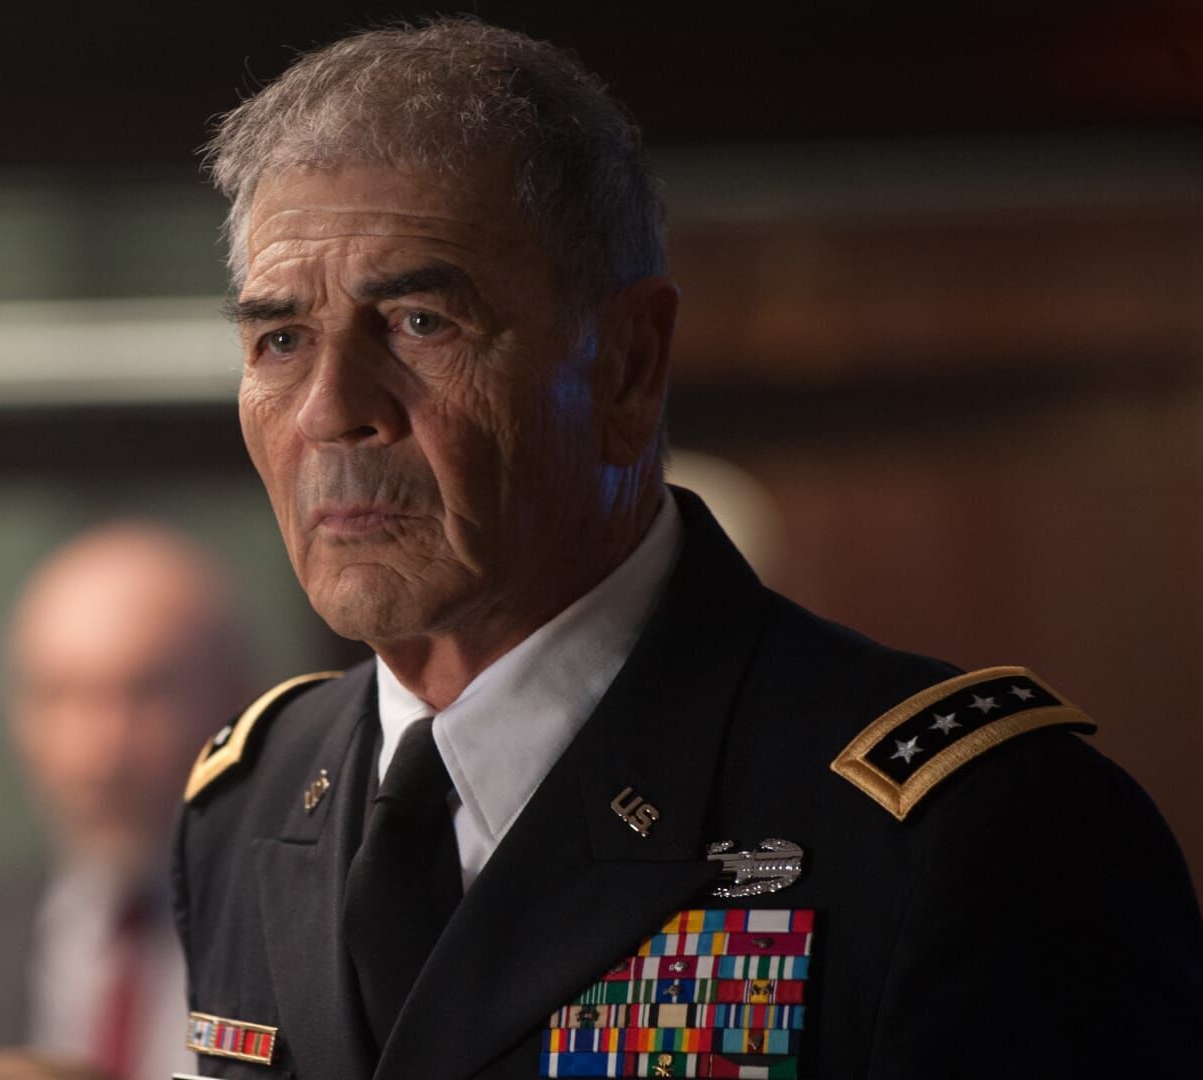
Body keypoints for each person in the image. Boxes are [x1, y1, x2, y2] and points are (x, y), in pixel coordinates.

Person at [171, 18, 1203, 1080]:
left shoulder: (968, 831)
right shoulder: (246, 804)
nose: (330, 411)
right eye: (280, 340)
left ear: (627, 365)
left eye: (420, 322)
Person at [0, 523, 254, 1080]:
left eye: (146, 693)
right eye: (56, 696)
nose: (97, 754)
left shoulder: (317, 944)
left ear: (239, 701)